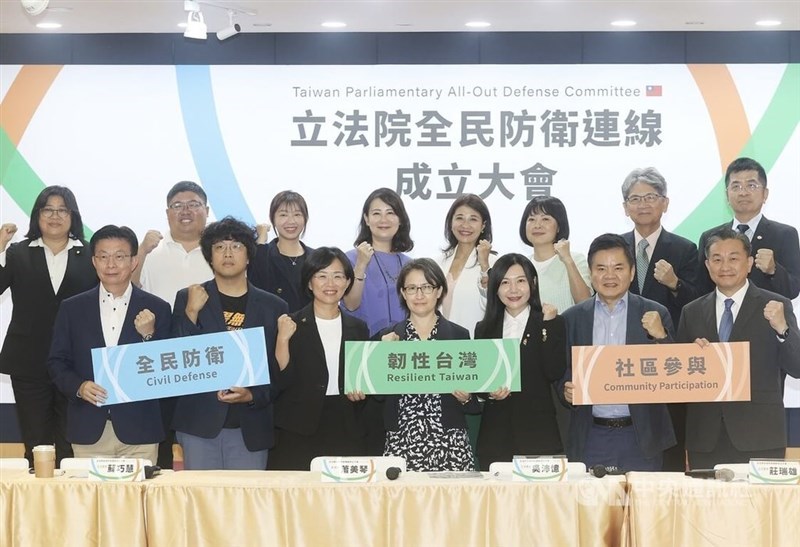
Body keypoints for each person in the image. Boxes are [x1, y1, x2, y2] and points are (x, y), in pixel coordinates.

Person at [171, 217, 288, 470]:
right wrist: (191, 313)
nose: (227, 253)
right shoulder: (188, 297)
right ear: (209, 257)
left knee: (246, 507)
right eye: (219, 247)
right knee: (201, 505)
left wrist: (252, 395)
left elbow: (279, 371)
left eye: (236, 246)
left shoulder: (274, 307)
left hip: (251, 425)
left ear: (248, 256)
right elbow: (175, 363)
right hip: (200, 425)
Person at [678, 229, 800, 467]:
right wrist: (689, 358)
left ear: (750, 263)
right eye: (717, 259)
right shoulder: (690, 312)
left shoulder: (776, 305)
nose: (725, 266)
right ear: (707, 264)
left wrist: (783, 329)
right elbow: (680, 383)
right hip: (705, 438)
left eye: (733, 258)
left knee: (760, 505)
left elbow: (797, 367)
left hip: (760, 436)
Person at [48, 225, 170, 462]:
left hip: (140, 430)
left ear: (134, 261)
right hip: (88, 427)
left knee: (136, 500)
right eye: (103, 257)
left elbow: (167, 370)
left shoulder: (158, 308)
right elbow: (56, 362)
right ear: (94, 261)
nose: (111, 264)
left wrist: (148, 336)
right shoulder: (72, 308)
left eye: (120, 256)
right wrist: (79, 386)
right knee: (91, 500)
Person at [0, 186, 97, 466]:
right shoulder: (18, 252)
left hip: (76, 364)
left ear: (72, 215)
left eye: (62, 209)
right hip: (28, 362)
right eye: (48, 209)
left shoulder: (91, 254)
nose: (55, 216)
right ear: (37, 215)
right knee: (36, 443)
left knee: (72, 443)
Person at [561, 234, 676, 472]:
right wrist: (566, 388)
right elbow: (561, 369)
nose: (609, 276)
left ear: (632, 272)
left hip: (642, 436)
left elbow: (675, 372)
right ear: (590, 273)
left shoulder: (656, 313)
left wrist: (661, 337)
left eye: (618, 268)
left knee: (640, 509)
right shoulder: (572, 318)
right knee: (592, 509)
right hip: (591, 436)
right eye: (601, 268)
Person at [620, 167, 700, 471]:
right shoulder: (614, 248)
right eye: (635, 198)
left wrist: (675, 283)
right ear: (625, 207)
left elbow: (698, 306)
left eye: (650, 197)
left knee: (669, 450)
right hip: (624, 365)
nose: (643, 204)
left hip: (668, 363)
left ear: (665, 203)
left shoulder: (684, 248)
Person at [132, 180, 213, 469]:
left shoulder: (220, 250)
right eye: (177, 206)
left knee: (205, 439)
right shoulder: (153, 251)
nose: (186, 211)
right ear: (167, 213)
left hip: (207, 358)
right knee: (162, 438)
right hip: (162, 356)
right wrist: (141, 251)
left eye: (193, 204)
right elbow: (129, 289)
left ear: (207, 209)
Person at [269, 247, 370, 470]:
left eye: (338, 276)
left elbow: (362, 380)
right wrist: (283, 340)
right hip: (298, 427)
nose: (330, 284)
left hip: (345, 423)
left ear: (347, 282)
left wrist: (361, 392)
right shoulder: (290, 323)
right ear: (309, 282)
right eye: (322, 276)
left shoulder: (359, 328)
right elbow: (281, 379)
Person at [378, 258, 479, 472]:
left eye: (427, 287)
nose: (419, 295)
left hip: (449, 440)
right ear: (403, 294)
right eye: (412, 288)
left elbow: (473, 401)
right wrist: (384, 355)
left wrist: (467, 397)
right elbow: (377, 396)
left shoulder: (459, 336)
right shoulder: (387, 337)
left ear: (439, 290)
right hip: (402, 439)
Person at [474, 254, 567, 470]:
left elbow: (554, 370)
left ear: (533, 284)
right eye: (505, 282)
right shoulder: (484, 328)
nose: (513, 289)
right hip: (495, 437)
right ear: (495, 288)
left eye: (521, 281)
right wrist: (489, 391)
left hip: (538, 435)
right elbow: (480, 381)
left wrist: (548, 326)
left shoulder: (551, 321)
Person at [519, 195, 591, 450]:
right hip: (531, 360)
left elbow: (585, 301)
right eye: (531, 218)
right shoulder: (520, 265)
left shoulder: (576, 258)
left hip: (567, 355)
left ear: (558, 225)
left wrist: (567, 260)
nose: (537, 224)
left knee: (566, 431)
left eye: (545, 218)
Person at [697, 157, 800, 299]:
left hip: (766, 318)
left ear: (765, 194)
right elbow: (701, 290)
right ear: (727, 195)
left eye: (751, 186)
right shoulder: (709, 237)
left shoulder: (785, 235)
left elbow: (793, 290)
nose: (743, 192)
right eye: (736, 186)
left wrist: (774, 270)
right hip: (723, 318)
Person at [343, 188, 413, 336]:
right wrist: (361, 265)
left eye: (390, 213)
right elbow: (350, 305)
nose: (383, 220)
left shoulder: (410, 264)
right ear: (367, 219)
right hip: (363, 347)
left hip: (403, 348)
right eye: (376, 213)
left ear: (400, 219)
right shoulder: (350, 259)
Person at [437, 194, 496, 338]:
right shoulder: (438, 263)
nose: (465, 225)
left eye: (473, 219)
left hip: (475, 345)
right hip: (439, 346)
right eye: (459, 218)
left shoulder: (493, 263)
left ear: (483, 225)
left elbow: (494, 307)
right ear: (451, 222)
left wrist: (484, 267)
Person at [249, 190, 315, 312]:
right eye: (283, 215)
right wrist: (261, 241)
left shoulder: (315, 257)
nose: (291, 221)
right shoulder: (263, 254)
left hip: (309, 328)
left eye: (297, 214)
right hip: (273, 327)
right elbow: (254, 289)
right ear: (273, 219)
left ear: (305, 218)